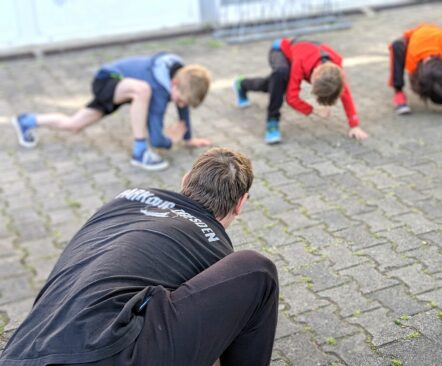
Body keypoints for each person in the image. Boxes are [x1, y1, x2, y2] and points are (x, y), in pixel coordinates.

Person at [0, 147, 279, 366]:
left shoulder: (124, 200)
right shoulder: (216, 250)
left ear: (184, 181)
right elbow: (208, 339)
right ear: (240, 204)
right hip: (108, 351)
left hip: (25, 349)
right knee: (257, 272)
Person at [11, 52, 213, 170]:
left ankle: (26, 121)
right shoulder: (158, 89)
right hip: (107, 80)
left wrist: (187, 137)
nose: (181, 105)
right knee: (143, 90)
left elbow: (182, 106)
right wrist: (171, 140)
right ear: (174, 83)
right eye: (180, 99)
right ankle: (140, 152)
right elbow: (158, 139)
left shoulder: (180, 75)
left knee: (74, 125)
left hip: (121, 88)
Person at [232, 38, 368, 144]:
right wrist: (314, 109)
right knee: (280, 74)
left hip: (299, 53)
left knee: (272, 85)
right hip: (280, 50)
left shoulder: (336, 68)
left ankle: (241, 84)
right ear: (314, 72)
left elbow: (345, 93)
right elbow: (291, 98)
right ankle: (272, 121)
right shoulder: (301, 62)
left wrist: (354, 125)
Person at [388, 24, 442, 118]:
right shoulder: (412, 57)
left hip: (437, 35)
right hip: (415, 36)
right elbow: (413, 82)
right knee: (396, 46)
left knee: (437, 80)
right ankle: (398, 92)